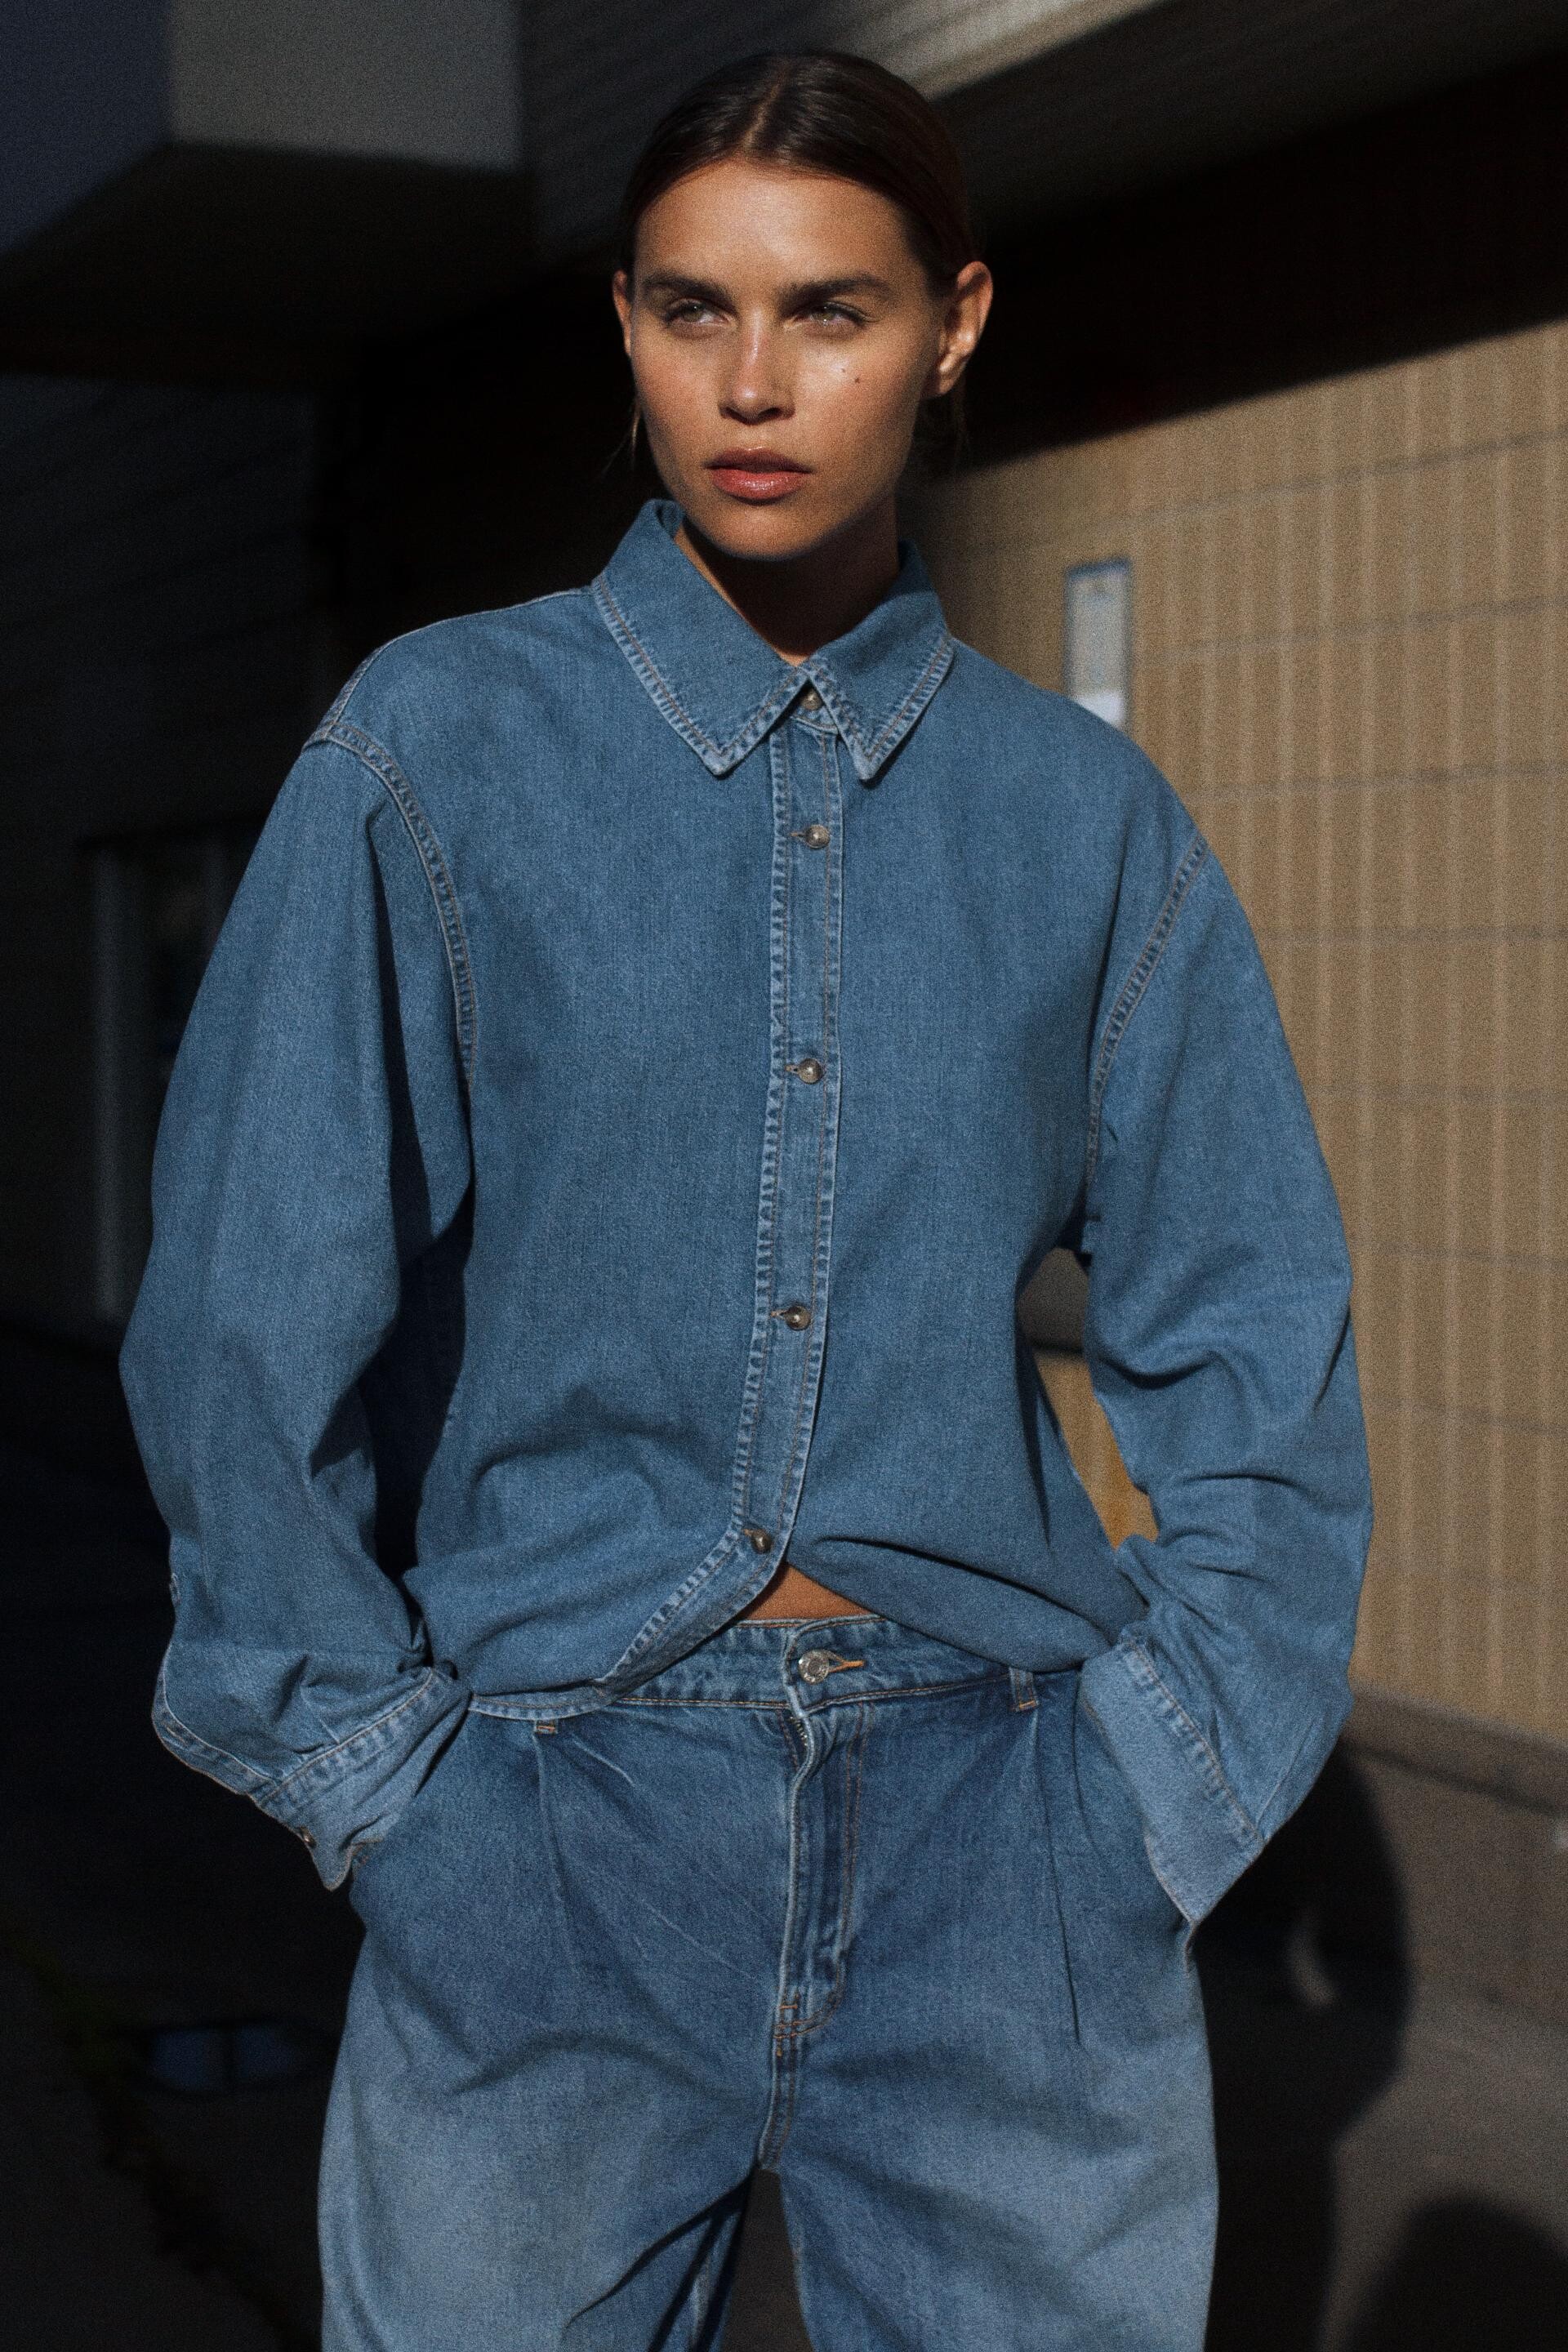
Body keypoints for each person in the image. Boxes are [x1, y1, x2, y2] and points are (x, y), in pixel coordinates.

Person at [118, 47, 1373, 2352]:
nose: (754, 384)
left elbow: (1253, 1329)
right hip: (545, 1823)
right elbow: (238, 1325)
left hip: (1011, 1835)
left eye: (830, 311)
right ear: (625, 325)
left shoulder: (1083, 824)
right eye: (694, 309)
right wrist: (389, 1792)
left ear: (954, 325)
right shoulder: (436, 750)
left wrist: (1161, 1791)